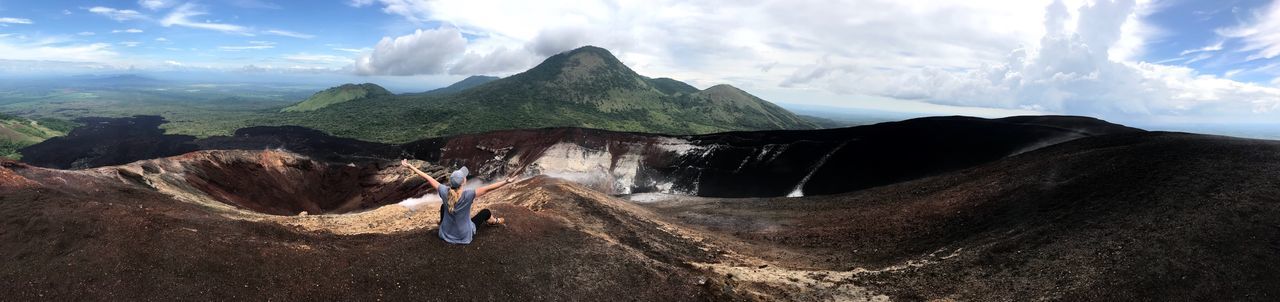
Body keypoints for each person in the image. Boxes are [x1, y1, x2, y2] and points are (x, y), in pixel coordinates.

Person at [401, 159, 515, 244]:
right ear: (463, 182)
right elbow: (488, 188)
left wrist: (410, 166)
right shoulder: (468, 195)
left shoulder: (444, 191)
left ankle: (442, 224)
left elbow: (428, 178)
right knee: (485, 212)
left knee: (443, 206)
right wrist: (507, 181)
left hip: (445, 234)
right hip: (463, 236)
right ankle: (494, 221)